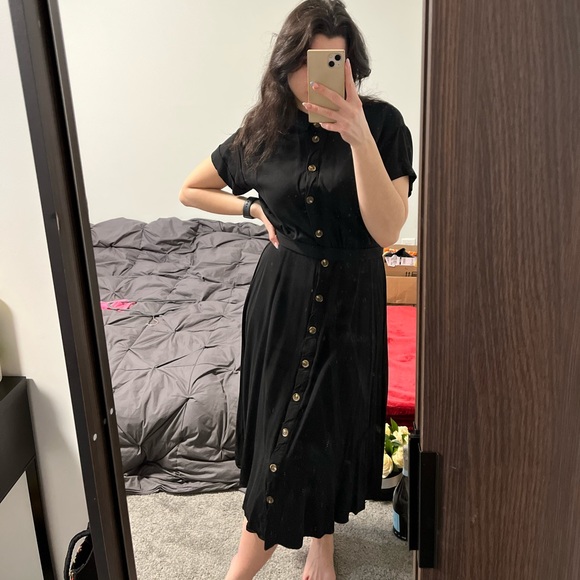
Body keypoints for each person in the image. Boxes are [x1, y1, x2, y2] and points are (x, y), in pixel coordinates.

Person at [179, 1, 416, 578]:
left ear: (351, 65)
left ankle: (321, 541)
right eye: (306, 63)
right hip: (283, 298)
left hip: (351, 301)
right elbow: (191, 189)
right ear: (284, 66)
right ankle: (266, 557)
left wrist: (357, 137)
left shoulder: (383, 126)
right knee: (282, 442)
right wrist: (251, 208)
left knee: (323, 428)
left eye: (332, 62)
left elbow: (387, 230)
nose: (317, 78)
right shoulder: (265, 129)